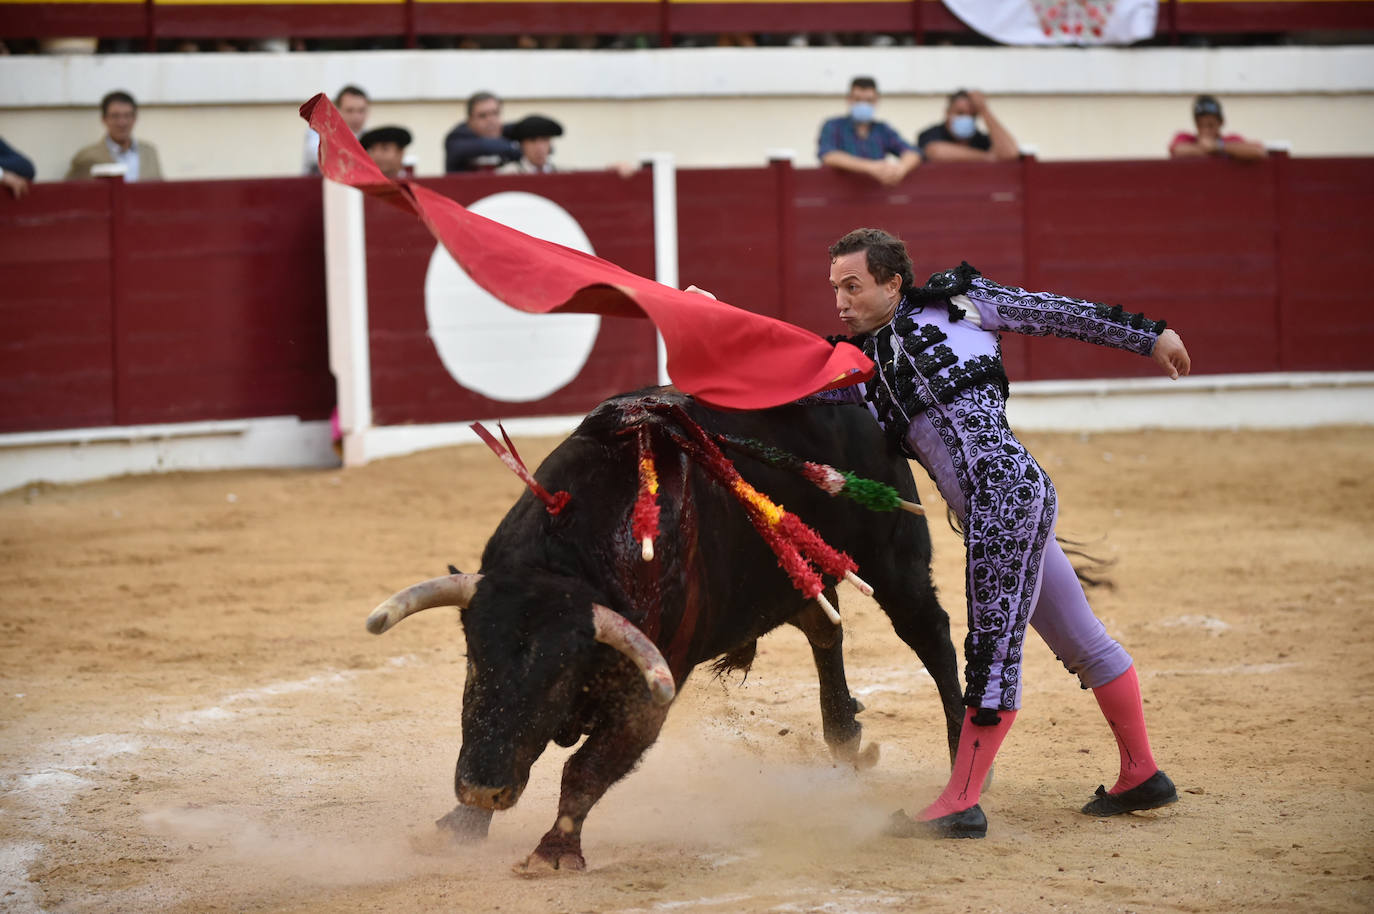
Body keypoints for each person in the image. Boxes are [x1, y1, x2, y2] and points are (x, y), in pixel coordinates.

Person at [819, 228, 1189, 839]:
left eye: (852, 286)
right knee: (1083, 642)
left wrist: (1150, 336)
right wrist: (716, 322)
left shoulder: (960, 304)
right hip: (1006, 504)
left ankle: (961, 800)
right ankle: (1142, 773)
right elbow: (787, 379)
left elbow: (1059, 314)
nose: (840, 302)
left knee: (992, 655)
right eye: (834, 288)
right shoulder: (859, 366)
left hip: (1005, 500)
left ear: (891, 282)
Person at [817, 76, 921, 187]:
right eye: (858, 99)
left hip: (877, 195)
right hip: (840, 194)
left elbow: (912, 152)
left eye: (868, 100)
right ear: (849, 99)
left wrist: (900, 169)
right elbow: (828, 155)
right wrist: (871, 167)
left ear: (876, 101)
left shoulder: (882, 129)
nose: (863, 104)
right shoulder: (834, 126)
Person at [65, 90, 163, 182]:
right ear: (104, 119)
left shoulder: (150, 152)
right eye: (115, 116)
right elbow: (70, 193)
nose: (122, 123)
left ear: (135, 118)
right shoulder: (87, 157)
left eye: (127, 115)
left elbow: (161, 191)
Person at [916, 89, 1019, 163]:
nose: (966, 118)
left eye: (972, 115)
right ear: (947, 113)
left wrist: (984, 111)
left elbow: (1010, 153)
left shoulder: (979, 139)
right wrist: (988, 157)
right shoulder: (932, 134)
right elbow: (935, 151)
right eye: (960, 113)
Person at [1169, 95, 1266, 161]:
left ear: (1221, 122)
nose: (1205, 130)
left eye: (1210, 125)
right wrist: (1211, 149)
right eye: (1200, 125)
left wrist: (1218, 146)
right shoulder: (1186, 138)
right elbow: (1177, 150)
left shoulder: (1230, 140)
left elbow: (1258, 151)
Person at [444, 91, 520, 173]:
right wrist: (515, 148)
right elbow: (486, 145)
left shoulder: (505, 132)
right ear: (470, 121)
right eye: (483, 116)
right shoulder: (456, 139)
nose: (491, 120)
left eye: (495, 113)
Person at [305, 85, 368, 175]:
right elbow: (317, 154)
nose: (356, 117)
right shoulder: (318, 132)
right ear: (336, 111)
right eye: (350, 110)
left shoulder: (370, 137)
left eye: (361, 111)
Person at [496, 114, 562, 175]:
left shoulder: (559, 173)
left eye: (544, 140)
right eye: (532, 140)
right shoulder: (507, 173)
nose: (539, 147)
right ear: (522, 145)